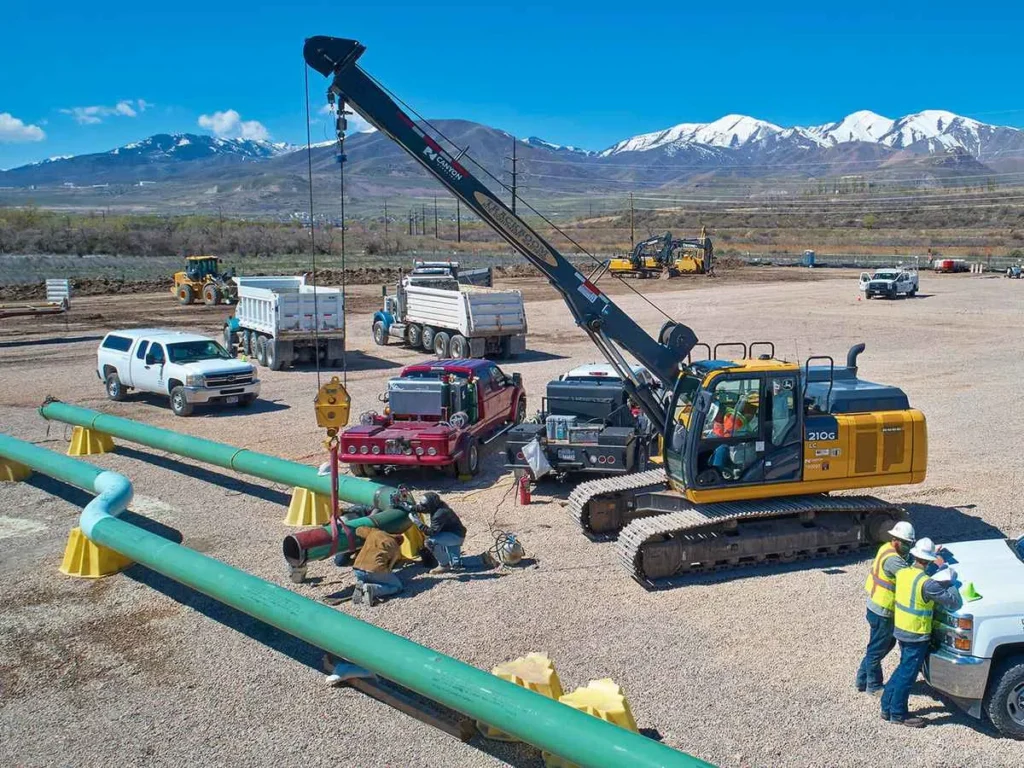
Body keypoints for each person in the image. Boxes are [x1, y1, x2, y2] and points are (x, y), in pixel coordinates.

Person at [881, 537, 961, 728]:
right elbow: (954, 602)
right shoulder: (928, 584)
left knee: (902, 669)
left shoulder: (904, 573)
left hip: (901, 629)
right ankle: (898, 714)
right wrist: (946, 573)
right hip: (916, 634)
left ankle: (886, 707)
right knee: (907, 675)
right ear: (931, 560)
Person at [855, 521, 915, 695]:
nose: (909, 547)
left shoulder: (886, 548)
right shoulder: (893, 560)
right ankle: (873, 686)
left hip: (876, 606)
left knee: (883, 644)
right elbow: (911, 578)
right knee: (877, 648)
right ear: (896, 540)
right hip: (883, 610)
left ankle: (862, 679)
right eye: (907, 544)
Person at [412, 491, 467, 573]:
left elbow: (431, 532)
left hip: (455, 536)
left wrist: (418, 523)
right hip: (453, 532)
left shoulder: (439, 514)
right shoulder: (438, 506)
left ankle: (444, 565)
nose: (422, 507)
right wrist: (409, 507)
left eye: (425, 505)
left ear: (430, 505)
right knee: (455, 563)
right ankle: (455, 562)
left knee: (430, 542)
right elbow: (423, 508)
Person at [351, 526, 405, 606]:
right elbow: (389, 567)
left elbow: (358, 530)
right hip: (374, 569)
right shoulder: (396, 548)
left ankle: (362, 583)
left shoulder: (374, 533)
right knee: (397, 586)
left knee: (371, 576)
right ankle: (372, 589)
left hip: (357, 568)